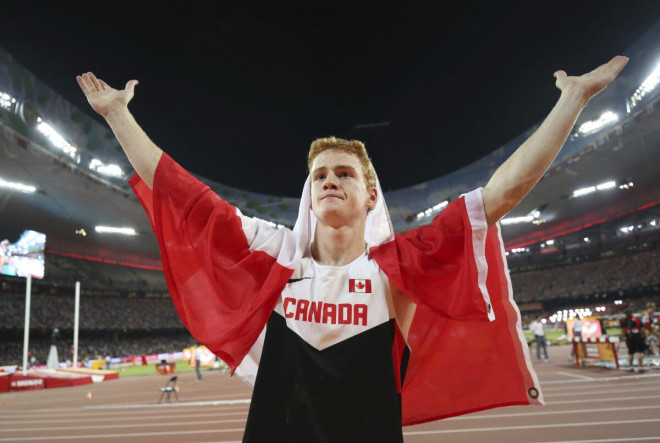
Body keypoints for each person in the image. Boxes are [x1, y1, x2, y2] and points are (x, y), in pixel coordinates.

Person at [76, 54, 628, 441]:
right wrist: (119, 115)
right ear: (308, 194)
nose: (329, 181)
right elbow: (184, 197)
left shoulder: (398, 266)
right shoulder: (275, 254)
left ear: (370, 195)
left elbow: (503, 190)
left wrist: (573, 101)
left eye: (343, 173)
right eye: (319, 175)